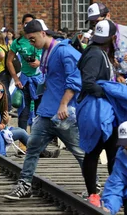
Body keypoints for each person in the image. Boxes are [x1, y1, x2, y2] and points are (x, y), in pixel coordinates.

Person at [5, 19, 84, 200]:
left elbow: (75, 80)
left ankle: (93, 186)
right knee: (32, 147)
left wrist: (64, 103)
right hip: (47, 112)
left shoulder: (64, 52)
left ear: (43, 33)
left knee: (79, 151)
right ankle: (24, 185)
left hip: (64, 113)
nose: (31, 44)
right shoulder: (48, 51)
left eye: (33, 39)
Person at [76, 19, 119, 207]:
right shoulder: (95, 54)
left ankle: (110, 192)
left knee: (111, 151)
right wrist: (109, 91)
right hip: (98, 109)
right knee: (96, 151)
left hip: (102, 108)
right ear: (112, 38)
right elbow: (88, 82)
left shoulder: (98, 52)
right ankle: (94, 193)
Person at [87, 2, 127, 81]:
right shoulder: (94, 40)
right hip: (111, 84)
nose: (96, 26)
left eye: (98, 21)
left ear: (108, 15)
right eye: (93, 23)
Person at [6, 14, 43, 129]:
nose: (29, 26)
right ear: (22, 25)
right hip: (25, 80)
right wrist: (16, 79)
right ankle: (23, 142)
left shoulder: (41, 39)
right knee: (23, 112)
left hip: (40, 80)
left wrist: (40, 63)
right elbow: (9, 61)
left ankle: (36, 141)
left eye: (31, 23)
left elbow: (51, 57)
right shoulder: (18, 42)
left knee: (39, 112)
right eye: (26, 23)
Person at [0, 80, 29, 156]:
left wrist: (4, 123)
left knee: (19, 130)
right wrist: (4, 124)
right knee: (21, 133)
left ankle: (37, 150)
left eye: (1, 91)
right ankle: (38, 150)